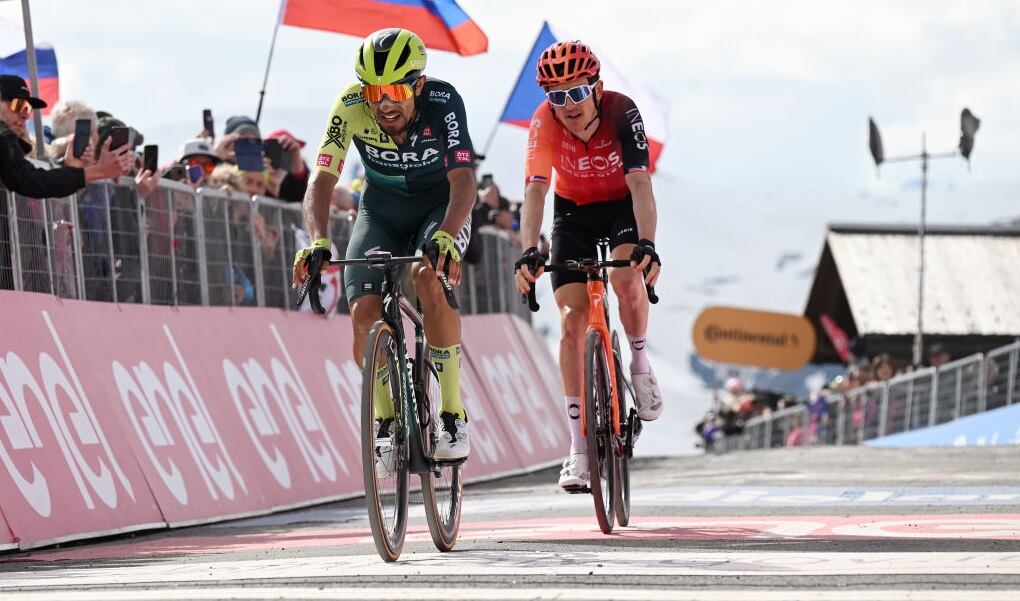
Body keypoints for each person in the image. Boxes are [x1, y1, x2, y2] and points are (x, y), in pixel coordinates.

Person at [291, 28, 476, 466]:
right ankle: (385, 421)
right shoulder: (351, 106)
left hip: (440, 205)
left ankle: (451, 413)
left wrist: (448, 233)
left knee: (427, 275)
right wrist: (317, 238)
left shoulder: (444, 102)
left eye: (395, 89)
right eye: (374, 91)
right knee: (362, 311)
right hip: (381, 209)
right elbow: (321, 179)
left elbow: (464, 179)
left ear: (418, 85)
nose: (383, 103)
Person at [513, 41, 663, 491]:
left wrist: (648, 244)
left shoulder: (622, 112)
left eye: (576, 92)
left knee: (624, 277)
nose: (568, 106)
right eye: (556, 97)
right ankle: (578, 450)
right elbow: (536, 192)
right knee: (571, 322)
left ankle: (638, 362)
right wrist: (528, 249)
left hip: (621, 207)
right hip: (572, 213)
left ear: (596, 89)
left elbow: (640, 185)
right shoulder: (544, 122)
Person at [0, 75, 127, 198]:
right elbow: (29, 180)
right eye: (18, 104)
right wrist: (99, 171)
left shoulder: (9, 142)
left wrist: (69, 166)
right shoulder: (4, 138)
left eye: (27, 108)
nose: (25, 115)